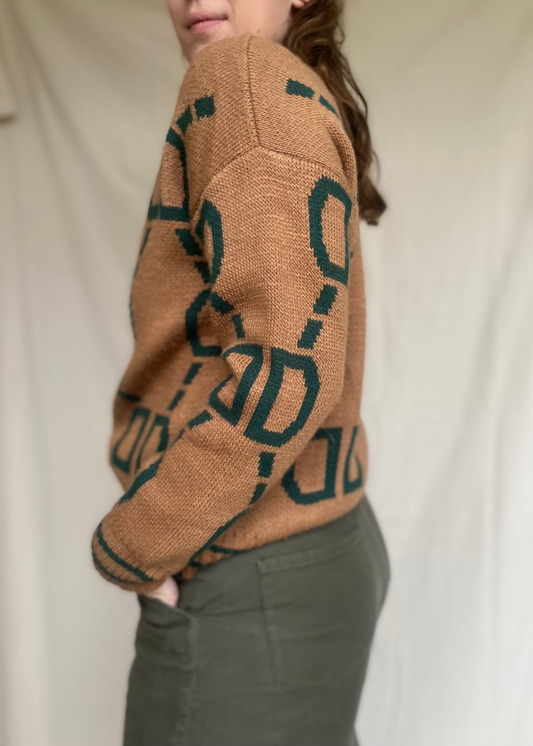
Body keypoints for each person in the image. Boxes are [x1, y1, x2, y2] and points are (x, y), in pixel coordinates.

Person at [91, 1, 391, 744]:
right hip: (318, 542)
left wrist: (134, 541)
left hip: (249, 564)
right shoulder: (286, 79)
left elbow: (286, 372)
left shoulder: (243, 77)